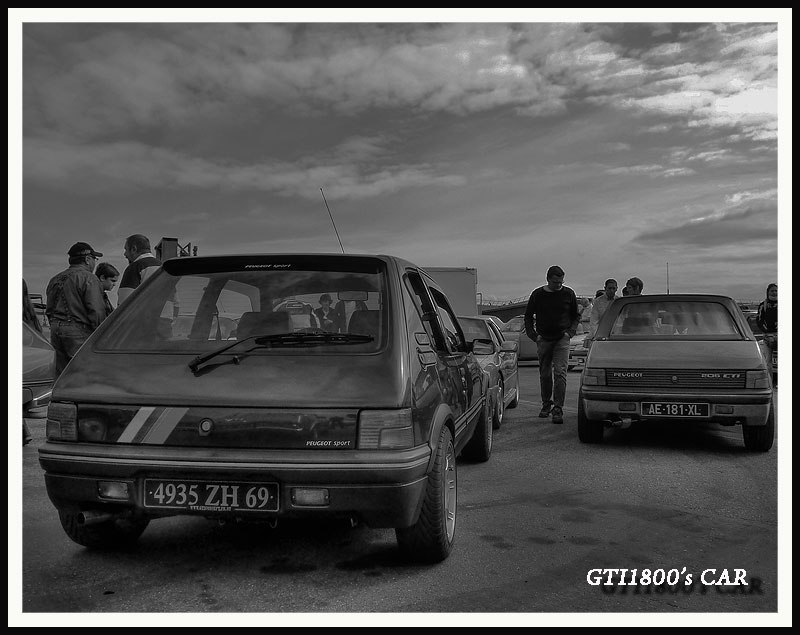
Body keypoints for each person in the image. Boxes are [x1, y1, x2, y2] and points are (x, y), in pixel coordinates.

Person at [523, 265, 580, 424]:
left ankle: (558, 409)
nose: (558, 285)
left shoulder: (568, 293)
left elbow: (576, 315)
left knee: (560, 373)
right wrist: (533, 335)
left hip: (562, 338)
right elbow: (528, 316)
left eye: (561, 282)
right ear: (548, 279)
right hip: (544, 339)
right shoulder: (538, 295)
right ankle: (546, 404)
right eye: (555, 282)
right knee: (545, 373)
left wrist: (570, 332)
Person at [45, 242, 107, 376]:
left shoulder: (54, 279)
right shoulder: (89, 278)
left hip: (55, 329)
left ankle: (62, 396)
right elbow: (96, 311)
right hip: (78, 331)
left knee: (61, 374)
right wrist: (101, 335)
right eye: (94, 259)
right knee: (85, 373)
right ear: (87, 259)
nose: (94, 263)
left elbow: (49, 309)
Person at [118, 234, 162, 304]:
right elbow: (176, 301)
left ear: (133, 249)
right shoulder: (164, 267)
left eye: (126, 249)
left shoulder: (134, 268)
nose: (125, 254)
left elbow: (124, 303)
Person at [756, 283, 777, 385]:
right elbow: (759, 320)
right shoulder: (763, 305)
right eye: (772, 291)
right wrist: (766, 331)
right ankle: (769, 382)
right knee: (768, 362)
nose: (774, 293)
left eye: (776, 291)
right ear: (768, 292)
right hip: (767, 336)